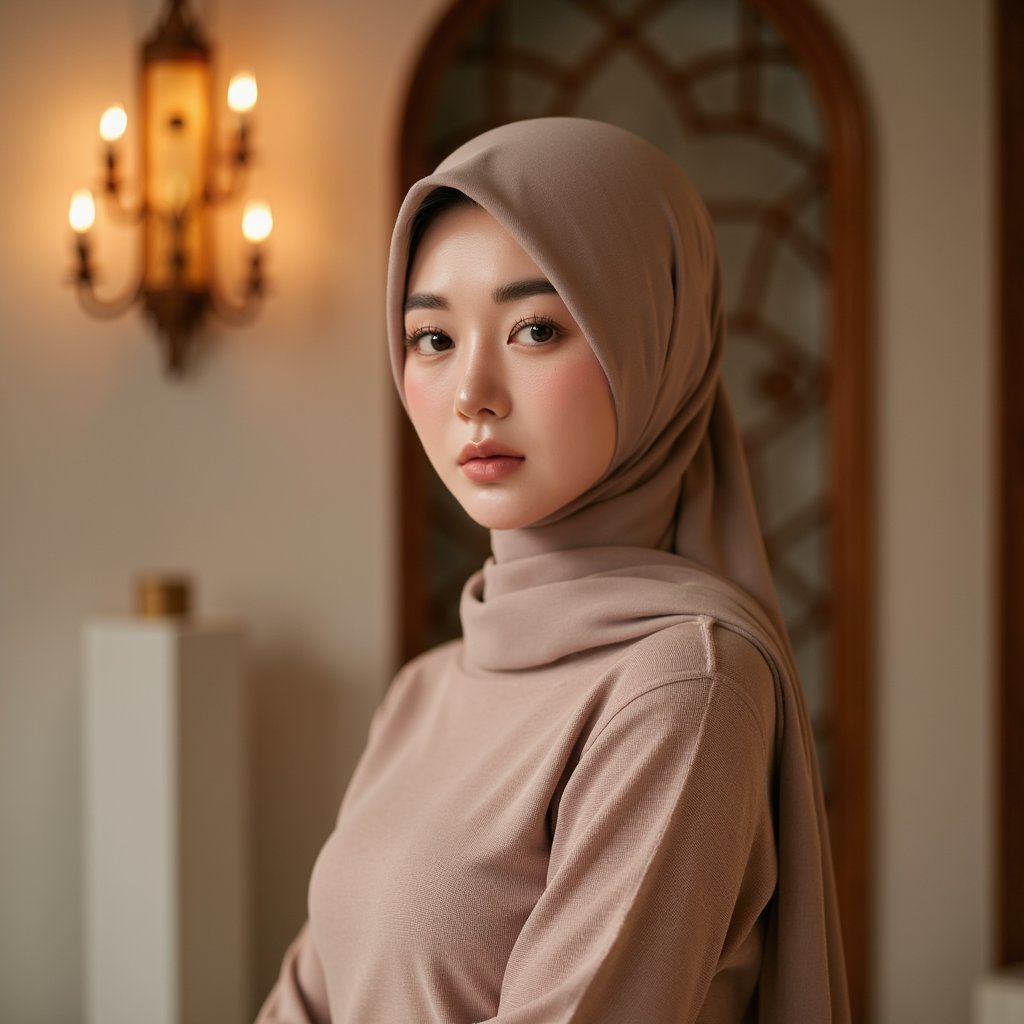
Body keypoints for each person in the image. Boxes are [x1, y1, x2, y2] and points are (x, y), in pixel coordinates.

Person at [256, 117, 849, 1023]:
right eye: (432, 339)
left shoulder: (683, 682)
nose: (472, 395)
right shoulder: (423, 691)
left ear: (654, 344)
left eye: (535, 329)